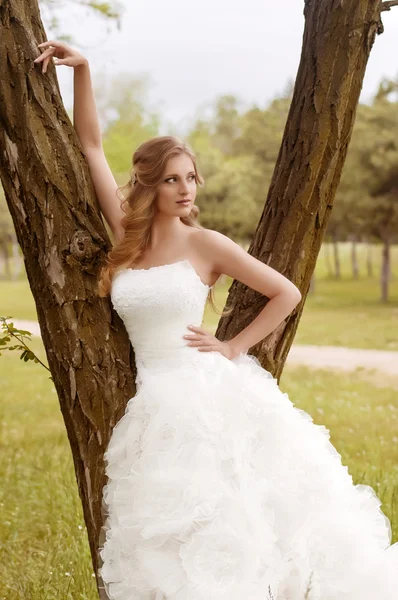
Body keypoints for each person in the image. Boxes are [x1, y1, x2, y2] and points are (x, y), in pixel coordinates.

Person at [34, 41, 398, 600]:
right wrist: (83, 68)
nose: (185, 190)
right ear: (148, 184)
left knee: (238, 516)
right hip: (154, 400)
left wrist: (233, 346)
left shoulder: (207, 244)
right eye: (171, 179)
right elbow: (89, 144)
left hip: (207, 393)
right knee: (175, 529)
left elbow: (286, 293)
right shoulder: (127, 236)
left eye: (191, 178)